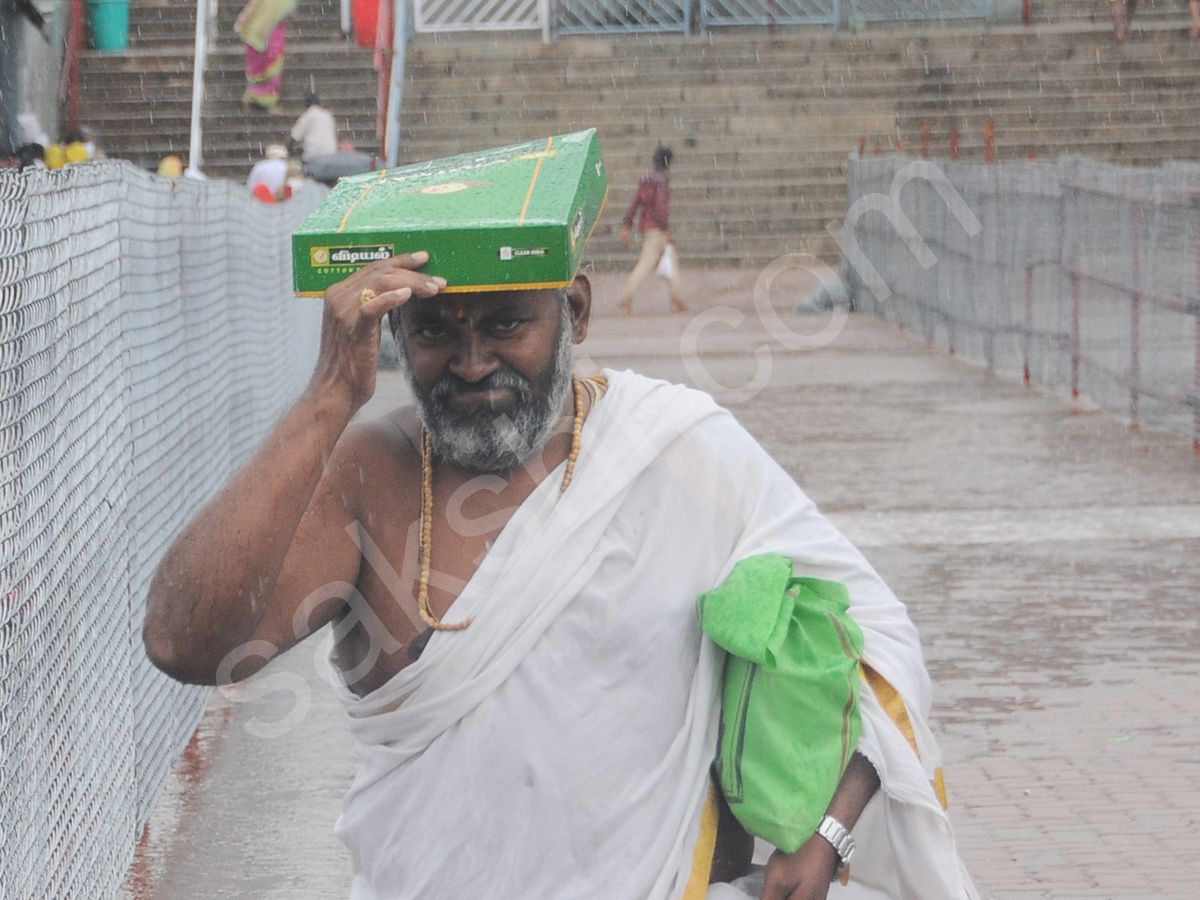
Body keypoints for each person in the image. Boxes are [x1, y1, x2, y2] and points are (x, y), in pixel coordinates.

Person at [143, 254, 978, 895]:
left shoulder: (678, 449)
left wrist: (831, 829)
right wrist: (327, 397)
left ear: (573, 307)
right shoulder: (372, 474)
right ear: (397, 336)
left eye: (507, 325)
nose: (472, 364)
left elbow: (877, 633)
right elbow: (184, 641)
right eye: (437, 333)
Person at [618, 145, 687, 315]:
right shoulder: (662, 181)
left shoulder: (647, 180)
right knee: (647, 265)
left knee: (670, 262)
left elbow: (635, 203)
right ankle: (626, 297)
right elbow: (661, 208)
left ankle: (677, 300)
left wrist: (627, 224)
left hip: (647, 227)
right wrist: (665, 229)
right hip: (657, 230)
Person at [235, 0, 296, 112]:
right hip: (269, 36)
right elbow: (290, 12)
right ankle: (265, 102)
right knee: (270, 65)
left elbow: (251, 10)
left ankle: (253, 96)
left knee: (260, 66)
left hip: (257, 33)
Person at [290, 92, 338, 166]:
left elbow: (296, 135)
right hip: (331, 151)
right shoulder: (327, 114)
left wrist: (289, 147)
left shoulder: (308, 114)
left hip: (313, 153)